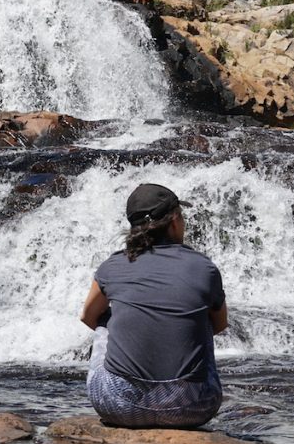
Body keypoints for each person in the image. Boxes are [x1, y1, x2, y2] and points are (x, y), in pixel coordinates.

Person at [79, 183, 228, 428]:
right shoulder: (204, 267)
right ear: (175, 220)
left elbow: (87, 317)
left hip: (118, 405)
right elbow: (220, 325)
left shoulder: (111, 266)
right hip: (192, 407)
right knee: (204, 319)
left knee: (106, 319)